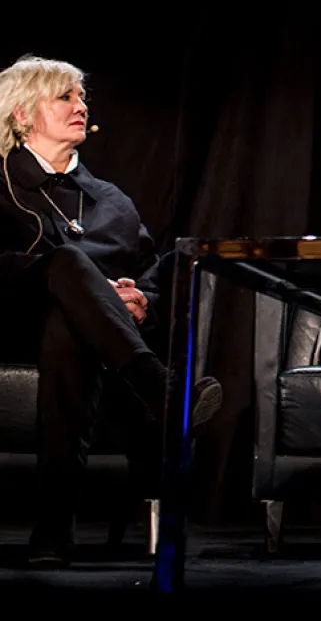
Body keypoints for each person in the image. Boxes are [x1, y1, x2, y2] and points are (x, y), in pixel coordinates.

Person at [0, 55, 223, 567]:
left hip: (89, 343)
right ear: (21, 115)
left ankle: (52, 534)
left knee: (69, 332)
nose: (81, 106)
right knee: (68, 264)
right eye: (65, 97)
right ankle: (165, 393)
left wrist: (139, 301)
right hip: (14, 325)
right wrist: (80, 282)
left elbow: (151, 271)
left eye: (82, 98)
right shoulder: (2, 186)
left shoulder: (111, 200)